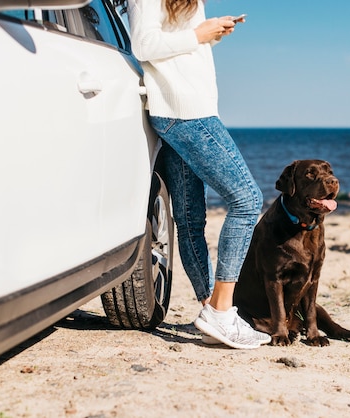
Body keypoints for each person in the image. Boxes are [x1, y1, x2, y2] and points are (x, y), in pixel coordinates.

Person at [127, 0, 270, 349]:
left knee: (190, 218)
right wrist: (197, 34)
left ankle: (210, 308)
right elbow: (144, 45)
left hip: (185, 109)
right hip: (186, 112)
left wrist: (210, 33)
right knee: (247, 200)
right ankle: (221, 311)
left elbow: (175, 43)